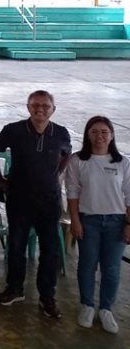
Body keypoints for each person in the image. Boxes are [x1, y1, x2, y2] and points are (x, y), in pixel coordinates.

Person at [0, 90, 71, 319]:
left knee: (50, 250)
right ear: (28, 107)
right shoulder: (14, 130)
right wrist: (0, 179)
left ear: (53, 109)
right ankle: (15, 289)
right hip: (19, 199)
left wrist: (59, 173)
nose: (40, 109)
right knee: (16, 247)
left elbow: (67, 154)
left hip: (49, 200)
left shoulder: (61, 133)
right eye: (35, 105)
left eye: (46, 106)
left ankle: (47, 297)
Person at [66, 116, 130, 334]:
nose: (100, 136)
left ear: (112, 135)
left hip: (117, 221)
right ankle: (87, 305)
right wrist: (75, 220)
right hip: (88, 220)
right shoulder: (77, 161)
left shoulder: (123, 162)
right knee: (87, 265)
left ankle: (106, 309)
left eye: (104, 131)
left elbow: (129, 196)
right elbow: (72, 193)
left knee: (111, 268)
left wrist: (128, 224)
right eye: (94, 131)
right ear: (87, 135)